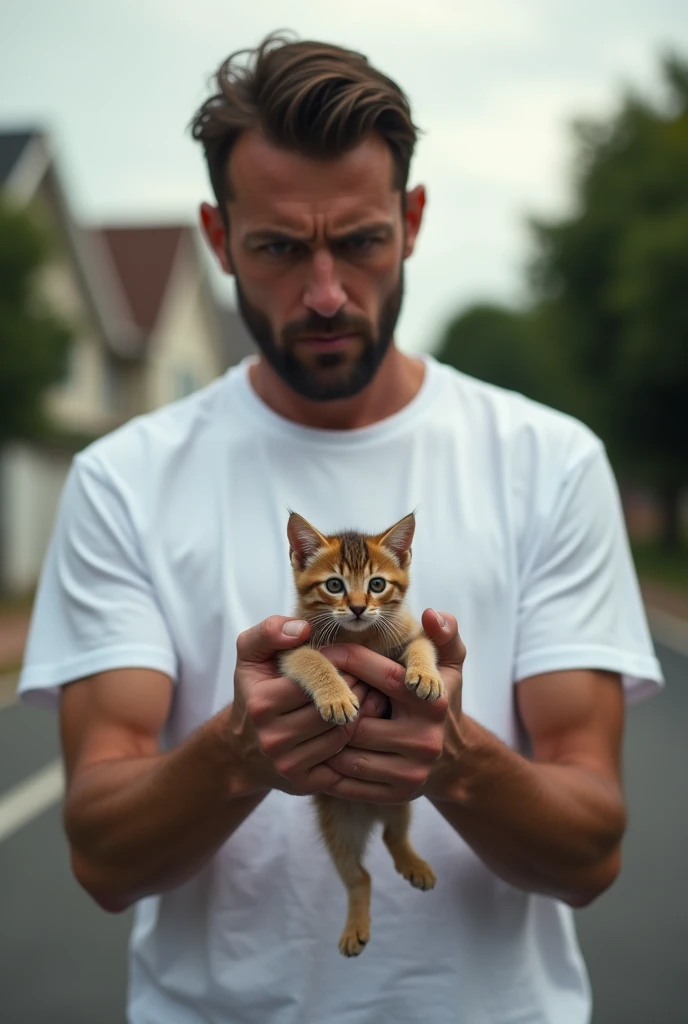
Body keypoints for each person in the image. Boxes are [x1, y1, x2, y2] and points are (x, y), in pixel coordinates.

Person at [18, 30, 664, 1024]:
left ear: (410, 221)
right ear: (218, 235)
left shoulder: (549, 460)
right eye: (278, 246)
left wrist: (452, 756)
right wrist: (239, 749)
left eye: (358, 241)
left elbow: (589, 854)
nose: (324, 294)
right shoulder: (121, 482)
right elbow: (103, 856)